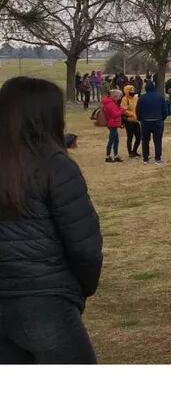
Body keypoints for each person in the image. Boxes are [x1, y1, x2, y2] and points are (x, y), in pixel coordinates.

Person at [0, 77, 103, 364]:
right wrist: (76, 288)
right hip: (44, 300)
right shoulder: (55, 166)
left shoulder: (52, 165)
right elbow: (85, 247)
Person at [136, 81, 167, 165]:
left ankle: (145, 159)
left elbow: (138, 110)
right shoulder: (160, 97)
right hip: (158, 121)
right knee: (157, 140)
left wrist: (140, 119)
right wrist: (162, 118)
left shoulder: (142, 98)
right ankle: (157, 158)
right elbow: (164, 110)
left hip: (145, 122)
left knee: (145, 140)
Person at [100, 89, 124, 163]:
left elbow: (115, 112)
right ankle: (108, 156)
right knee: (112, 140)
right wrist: (122, 110)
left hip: (114, 123)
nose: (119, 98)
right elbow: (114, 114)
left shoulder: (112, 102)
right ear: (115, 96)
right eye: (119, 97)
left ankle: (115, 155)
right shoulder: (110, 104)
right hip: (112, 123)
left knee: (116, 140)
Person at [120, 84, 141, 158]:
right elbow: (123, 110)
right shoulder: (124, 99)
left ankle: (135, 151)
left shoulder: (136, 98)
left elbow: (139, 107)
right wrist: (132, 114)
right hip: (129, 121)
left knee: (139, 137)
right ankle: (130, 152)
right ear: (127, 91)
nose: (132, 92)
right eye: (131, 91)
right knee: (130, 137)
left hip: (136, 120)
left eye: (133, 91)